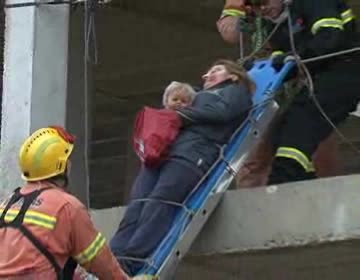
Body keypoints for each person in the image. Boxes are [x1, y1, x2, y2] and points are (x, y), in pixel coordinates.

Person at [110, 59, 254, 276]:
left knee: (159, 203)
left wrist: (178, 115)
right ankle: (112, 260)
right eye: (206, 73)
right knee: (137, 205)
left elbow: (221, 113)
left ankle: (130, 263)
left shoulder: (236, 92)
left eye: (215, 70)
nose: (207, 76)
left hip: (191, 156)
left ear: (233, 75)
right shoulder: (193, 98)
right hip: (162, 153)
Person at [217, 0, 359, 185]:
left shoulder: (312, 4)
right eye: (256, 7)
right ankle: (294, 179)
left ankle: (284, 178)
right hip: (319, 75)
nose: (263, 9)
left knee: (304, 122)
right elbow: (284, 59)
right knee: (285, 129)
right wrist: (260, 69)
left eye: (264, 2)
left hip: (347, 68)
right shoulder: (274, 24)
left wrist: (300, 57)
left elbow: (329, 35)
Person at [0, 126, 129, 280]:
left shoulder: (8, 203)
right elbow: (102, 264)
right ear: (63, 165)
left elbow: (35, 262)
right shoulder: (67, 207)